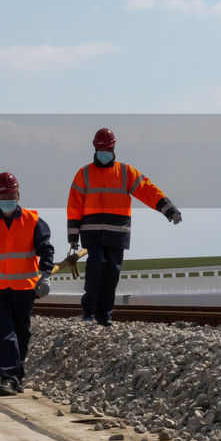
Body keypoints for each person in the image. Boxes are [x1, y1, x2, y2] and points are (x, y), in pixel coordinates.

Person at [67, 128, 182, 326]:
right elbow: (74, 205)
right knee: (96, 268)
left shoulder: (126, 172)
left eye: (107, 148)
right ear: (95, 148)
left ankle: (104, 316)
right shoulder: (84, 174)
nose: (104, 152)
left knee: (111, 274)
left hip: (117, 234)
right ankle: (89, 312)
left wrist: (168, 209)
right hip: (92, 233)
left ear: (113, 148)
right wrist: (73, 236)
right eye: (101, 149)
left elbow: (148, 190)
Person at [0, 172, 54, 396]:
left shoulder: (33, 221)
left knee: (22, 333)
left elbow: (46, 249)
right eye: (3, 195)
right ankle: (7, 379)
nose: (7, 198)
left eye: (11, 194)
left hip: (24, 289)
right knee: (4, 333)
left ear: (18, 194)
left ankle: (17, 375)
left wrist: (45, 276)